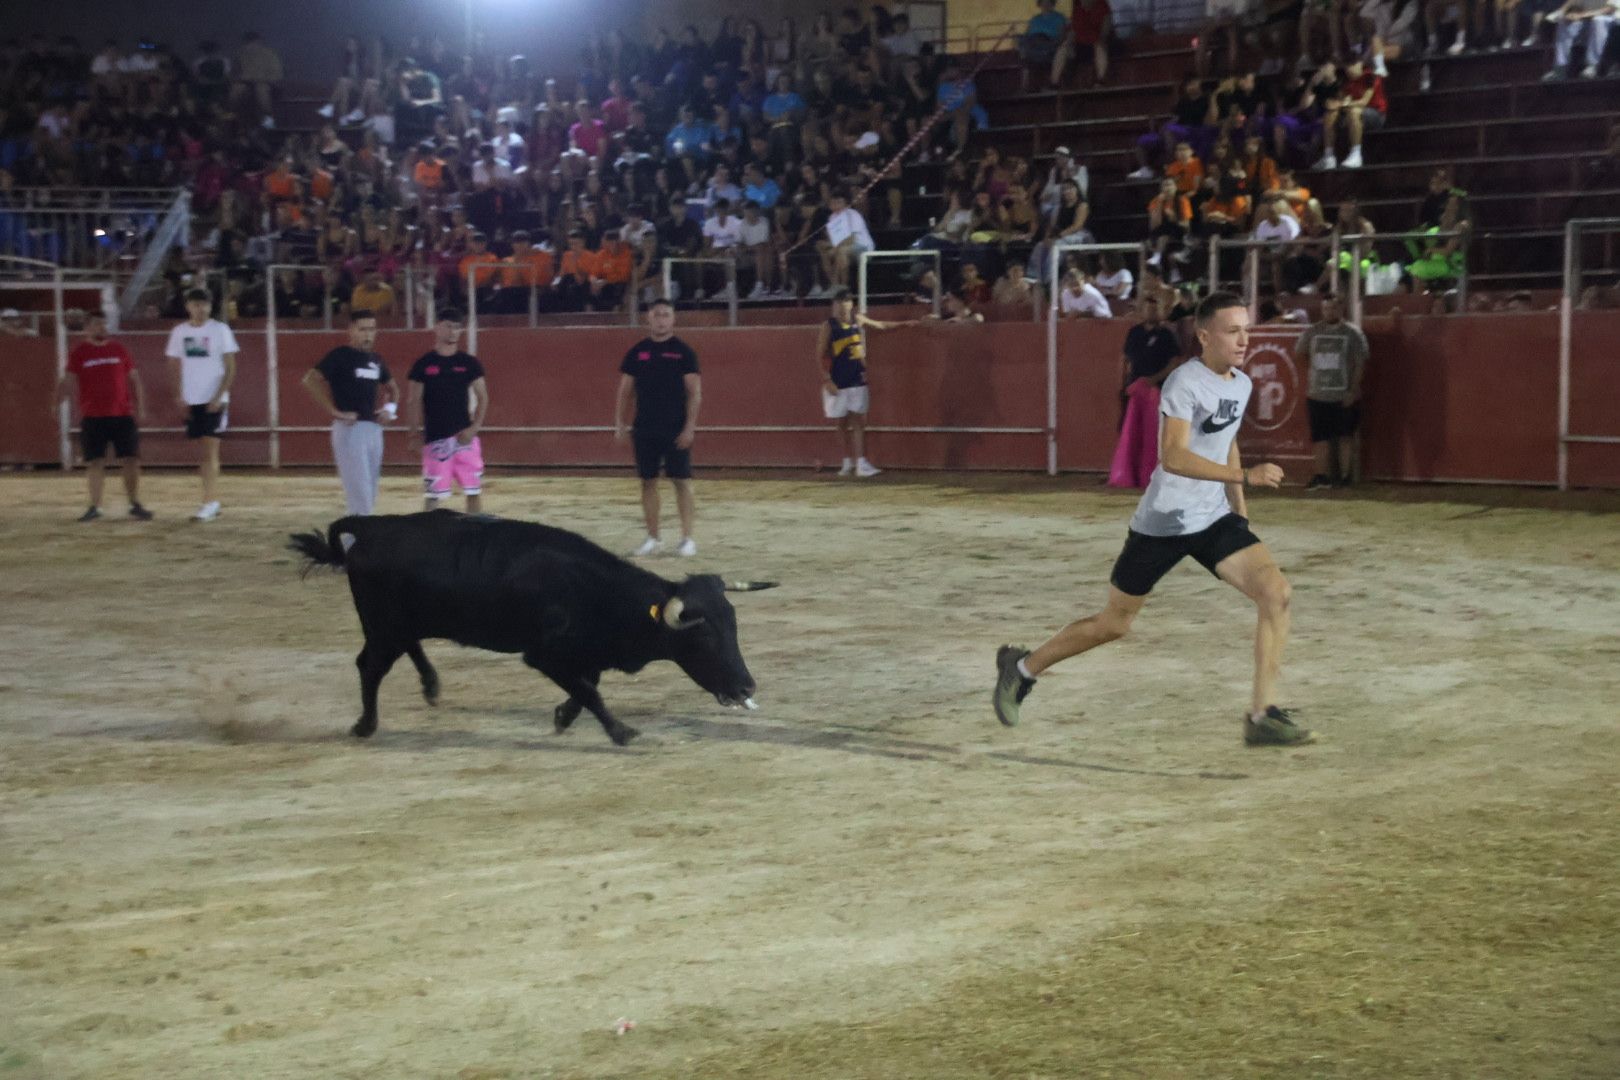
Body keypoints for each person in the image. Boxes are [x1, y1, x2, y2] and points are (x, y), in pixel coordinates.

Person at [993, 291, 1309, 747]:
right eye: (1232, 330)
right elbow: (1174, 456)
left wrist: (1238, 509)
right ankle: (1021, 668)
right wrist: (1245, 475)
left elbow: (1225, 440)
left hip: (1213, 519)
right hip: (1163, 522)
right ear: (1204, 335)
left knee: (1276, 594)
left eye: (1246, 330)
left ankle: (1261, 715)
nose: (1243, 339)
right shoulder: (1185, 382)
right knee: (1114, 624)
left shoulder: (1239, 384)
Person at [615, 299, 702, 557]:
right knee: (647, 481)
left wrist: (690, 428)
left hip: (675, 427)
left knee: (681, 481)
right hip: (645, 427)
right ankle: (653, 537)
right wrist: (620, 421)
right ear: (648, 318)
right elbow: (625, 391)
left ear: (673, 319)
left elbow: (695, 393)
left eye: (666, 315)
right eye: (657, 315)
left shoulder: (684, 352)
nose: (661, 320)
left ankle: (687, 539)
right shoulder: (637, 352)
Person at [56, 310, 153, 522]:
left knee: (131, 460)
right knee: (95, 462)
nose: (102, 328)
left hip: (122, 414)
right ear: (88, 328)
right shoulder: (80, 351)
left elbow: (134, 379)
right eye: (98, 324)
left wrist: (141, 406)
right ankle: (95, 506)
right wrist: (57, 400)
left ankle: (134, 503)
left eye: (104, 324)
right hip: (93, 415)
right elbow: (68, 379)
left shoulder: (119, 349)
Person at [302, 309, 399, 515]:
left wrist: (390, 410)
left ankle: (355, 540)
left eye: (371, 330)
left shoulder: (376, 359)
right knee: (360, 492)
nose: (367, 334)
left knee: (369, 491)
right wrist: (335, 411)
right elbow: (310, 380)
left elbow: (393, 389)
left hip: (372, 428)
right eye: (362, 329)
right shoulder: (340, 356)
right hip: (350, 429)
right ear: (351, 330)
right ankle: (355, 542)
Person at [164, 288, 238, 521]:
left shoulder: (220, 330)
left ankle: (209, 501)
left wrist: (219, 396)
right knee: (204, 452)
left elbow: (231, 367)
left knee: (209, 451)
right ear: (188, 307)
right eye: (196, 304)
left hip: (213, 399)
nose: (201, 309)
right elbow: (174, 366)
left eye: (204, 304)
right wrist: (179, 396)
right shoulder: (179, 332)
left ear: (210, 306)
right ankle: (211, 500)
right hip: (193, 397)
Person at [816, 287, 904, 478]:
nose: (840, 307)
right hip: (838, 380)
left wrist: (906, 324)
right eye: (837, 304)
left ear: (851, 304)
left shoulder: (858, 320)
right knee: (841, 422)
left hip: (857, 377)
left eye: (844, 303)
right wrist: (827, 379)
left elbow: (880, 325)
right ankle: (847, 461)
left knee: (859, 421)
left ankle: (861, 462)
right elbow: (820, 354)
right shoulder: (829, 326)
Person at [407, 310, 490, 513]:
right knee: (433, 495)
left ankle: (475, 535)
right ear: (437, 327)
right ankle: (430, 539)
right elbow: (413, 401)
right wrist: (414, 433)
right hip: (435, 438)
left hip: (464, 437)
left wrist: (474, 428)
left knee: (473, 491)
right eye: (448, 326)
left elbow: (483, 397)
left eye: (457, 327)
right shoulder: (424, 364)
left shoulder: (468, 363)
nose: (453, 331)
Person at [1294, 294, 1368, 489]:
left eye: (1333, 308)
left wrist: (1353, 390)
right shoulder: (1313, 332)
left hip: (1342, 393)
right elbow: (1300, 354)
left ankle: (1345, 477)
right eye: (1326, 309)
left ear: (1341, 309)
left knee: (1345, 436)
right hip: (1318, 393)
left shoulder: (1352, 333)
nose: (1329, 312)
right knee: (1320, 438)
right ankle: (1322, 475)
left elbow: (1360, 363)